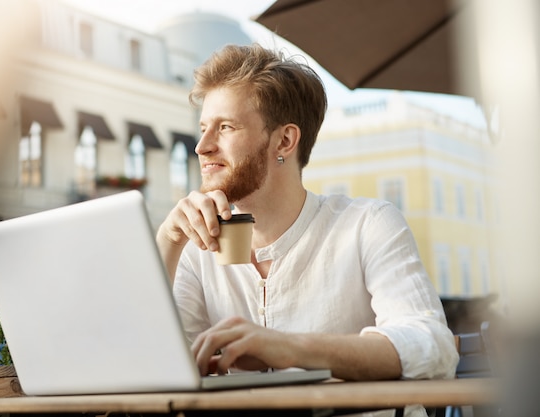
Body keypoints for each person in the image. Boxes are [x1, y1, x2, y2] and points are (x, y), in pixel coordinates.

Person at [156, 43, 458, 415]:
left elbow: (432, 346)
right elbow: (148, 369)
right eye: (203, 129)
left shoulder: (367, 224)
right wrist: (167, 243)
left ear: (284, 141)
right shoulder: (194, 251)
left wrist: (288, 348)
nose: (202, 146)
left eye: (225, 127)